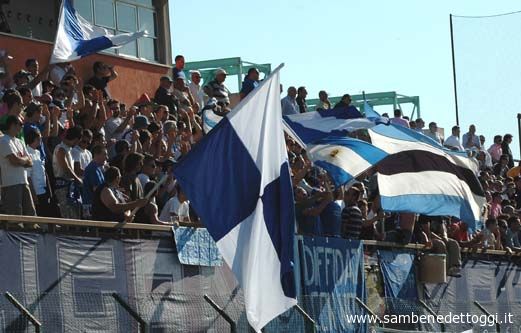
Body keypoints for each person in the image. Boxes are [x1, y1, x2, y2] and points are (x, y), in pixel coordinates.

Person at [0, 116, 36, 216]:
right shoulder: (3, 140)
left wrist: (22, 161)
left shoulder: (20, 141)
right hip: (11, 184)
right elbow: (14, 161)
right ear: (12, 125)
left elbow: (30, 162)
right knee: (15, 218)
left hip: (24, 182)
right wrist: (24, 160)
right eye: (20, 124)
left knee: (31, 215)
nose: (22, 127)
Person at [52, 126, 83, 219]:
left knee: (75, 213)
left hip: (70, 186)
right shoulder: (61, 149)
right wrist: (78, 179)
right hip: (63, 186)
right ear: (76, 139)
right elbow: (66, 168)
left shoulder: (68, 149)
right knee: (66, 214)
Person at [26, 129, 51, 216]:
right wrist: (33, 194)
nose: (41, 141)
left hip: (43, 190)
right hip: (36, 192)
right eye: (39, 139)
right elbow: (28, 177)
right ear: (33, 139)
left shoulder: (37, 152)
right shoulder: (27, 153)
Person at [82, 145, 108, 219]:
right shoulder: (92, 169)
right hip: (91, 206)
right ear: (96, 155)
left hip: (94, 205)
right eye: (104, 154)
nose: (107, 158)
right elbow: (96, 189)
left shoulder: (98, 168)